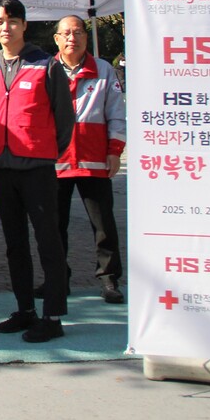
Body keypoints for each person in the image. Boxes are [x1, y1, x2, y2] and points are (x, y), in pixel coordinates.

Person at [0, 0, 75, 343]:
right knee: (14, 243)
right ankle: (24, 310)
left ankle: (52, 316)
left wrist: (48, 152)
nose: (6, 27)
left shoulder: (46, 65)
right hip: (3, 168)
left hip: (37, 168)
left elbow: (65, 119)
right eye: (0, 21)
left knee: (48, 240)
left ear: (24, 25)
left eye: (13, 21)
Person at [53, 16, 127, 304]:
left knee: (104, 225)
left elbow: (116, 113)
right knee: (54, 226)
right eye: (66, 33)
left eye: (78, 32)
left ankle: (109, 279)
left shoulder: (104, 70)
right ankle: (58, 279)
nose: (73, 38)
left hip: (94, 159)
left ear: (85, 36)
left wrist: (114, 151)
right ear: (57, 39)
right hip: (56, 161)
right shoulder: (46, 69)